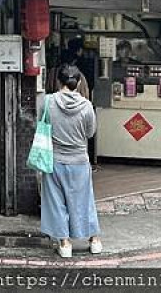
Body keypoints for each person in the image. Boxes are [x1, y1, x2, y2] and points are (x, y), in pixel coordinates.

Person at [36, 64, 102, 258]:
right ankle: (94, 240)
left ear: (59, 81)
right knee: (84, 201)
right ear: (79, 82)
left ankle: (65, 244)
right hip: (79, 161)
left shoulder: (47, 102)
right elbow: (90, 133)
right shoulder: (86, 106)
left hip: (54, 160)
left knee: (56, 202)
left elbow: (42, 124)